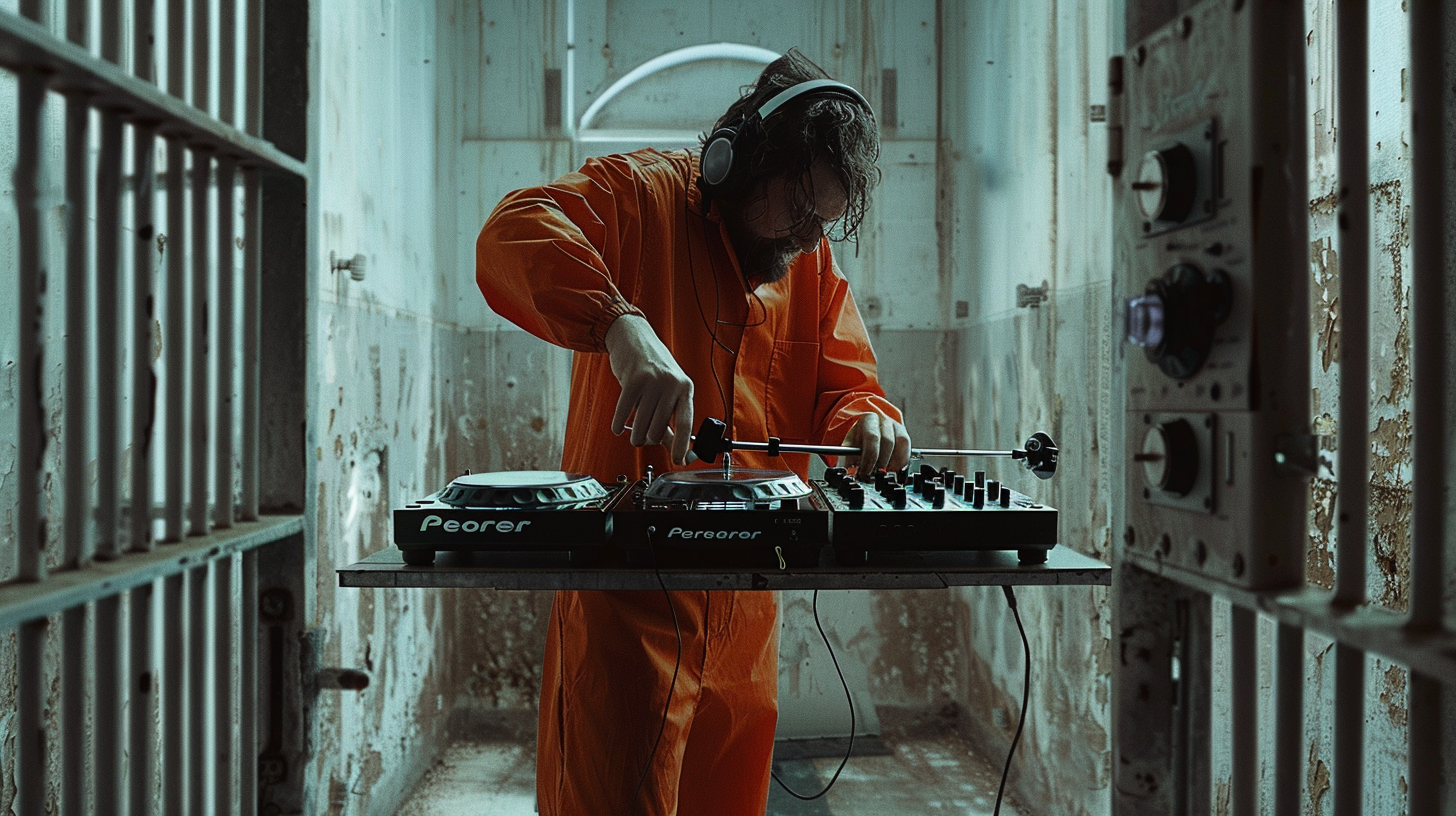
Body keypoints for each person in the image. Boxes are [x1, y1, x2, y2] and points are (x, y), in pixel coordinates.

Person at [476, 49, 911, 816]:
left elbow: (849, 384)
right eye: (800, 209)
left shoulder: (804, 264)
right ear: (737, 160)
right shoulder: (641, 196)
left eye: (824, 221)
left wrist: (867, 421)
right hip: (628, 609)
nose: (810, 239)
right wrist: (618, 323)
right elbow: (511, 231)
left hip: (746, 617)